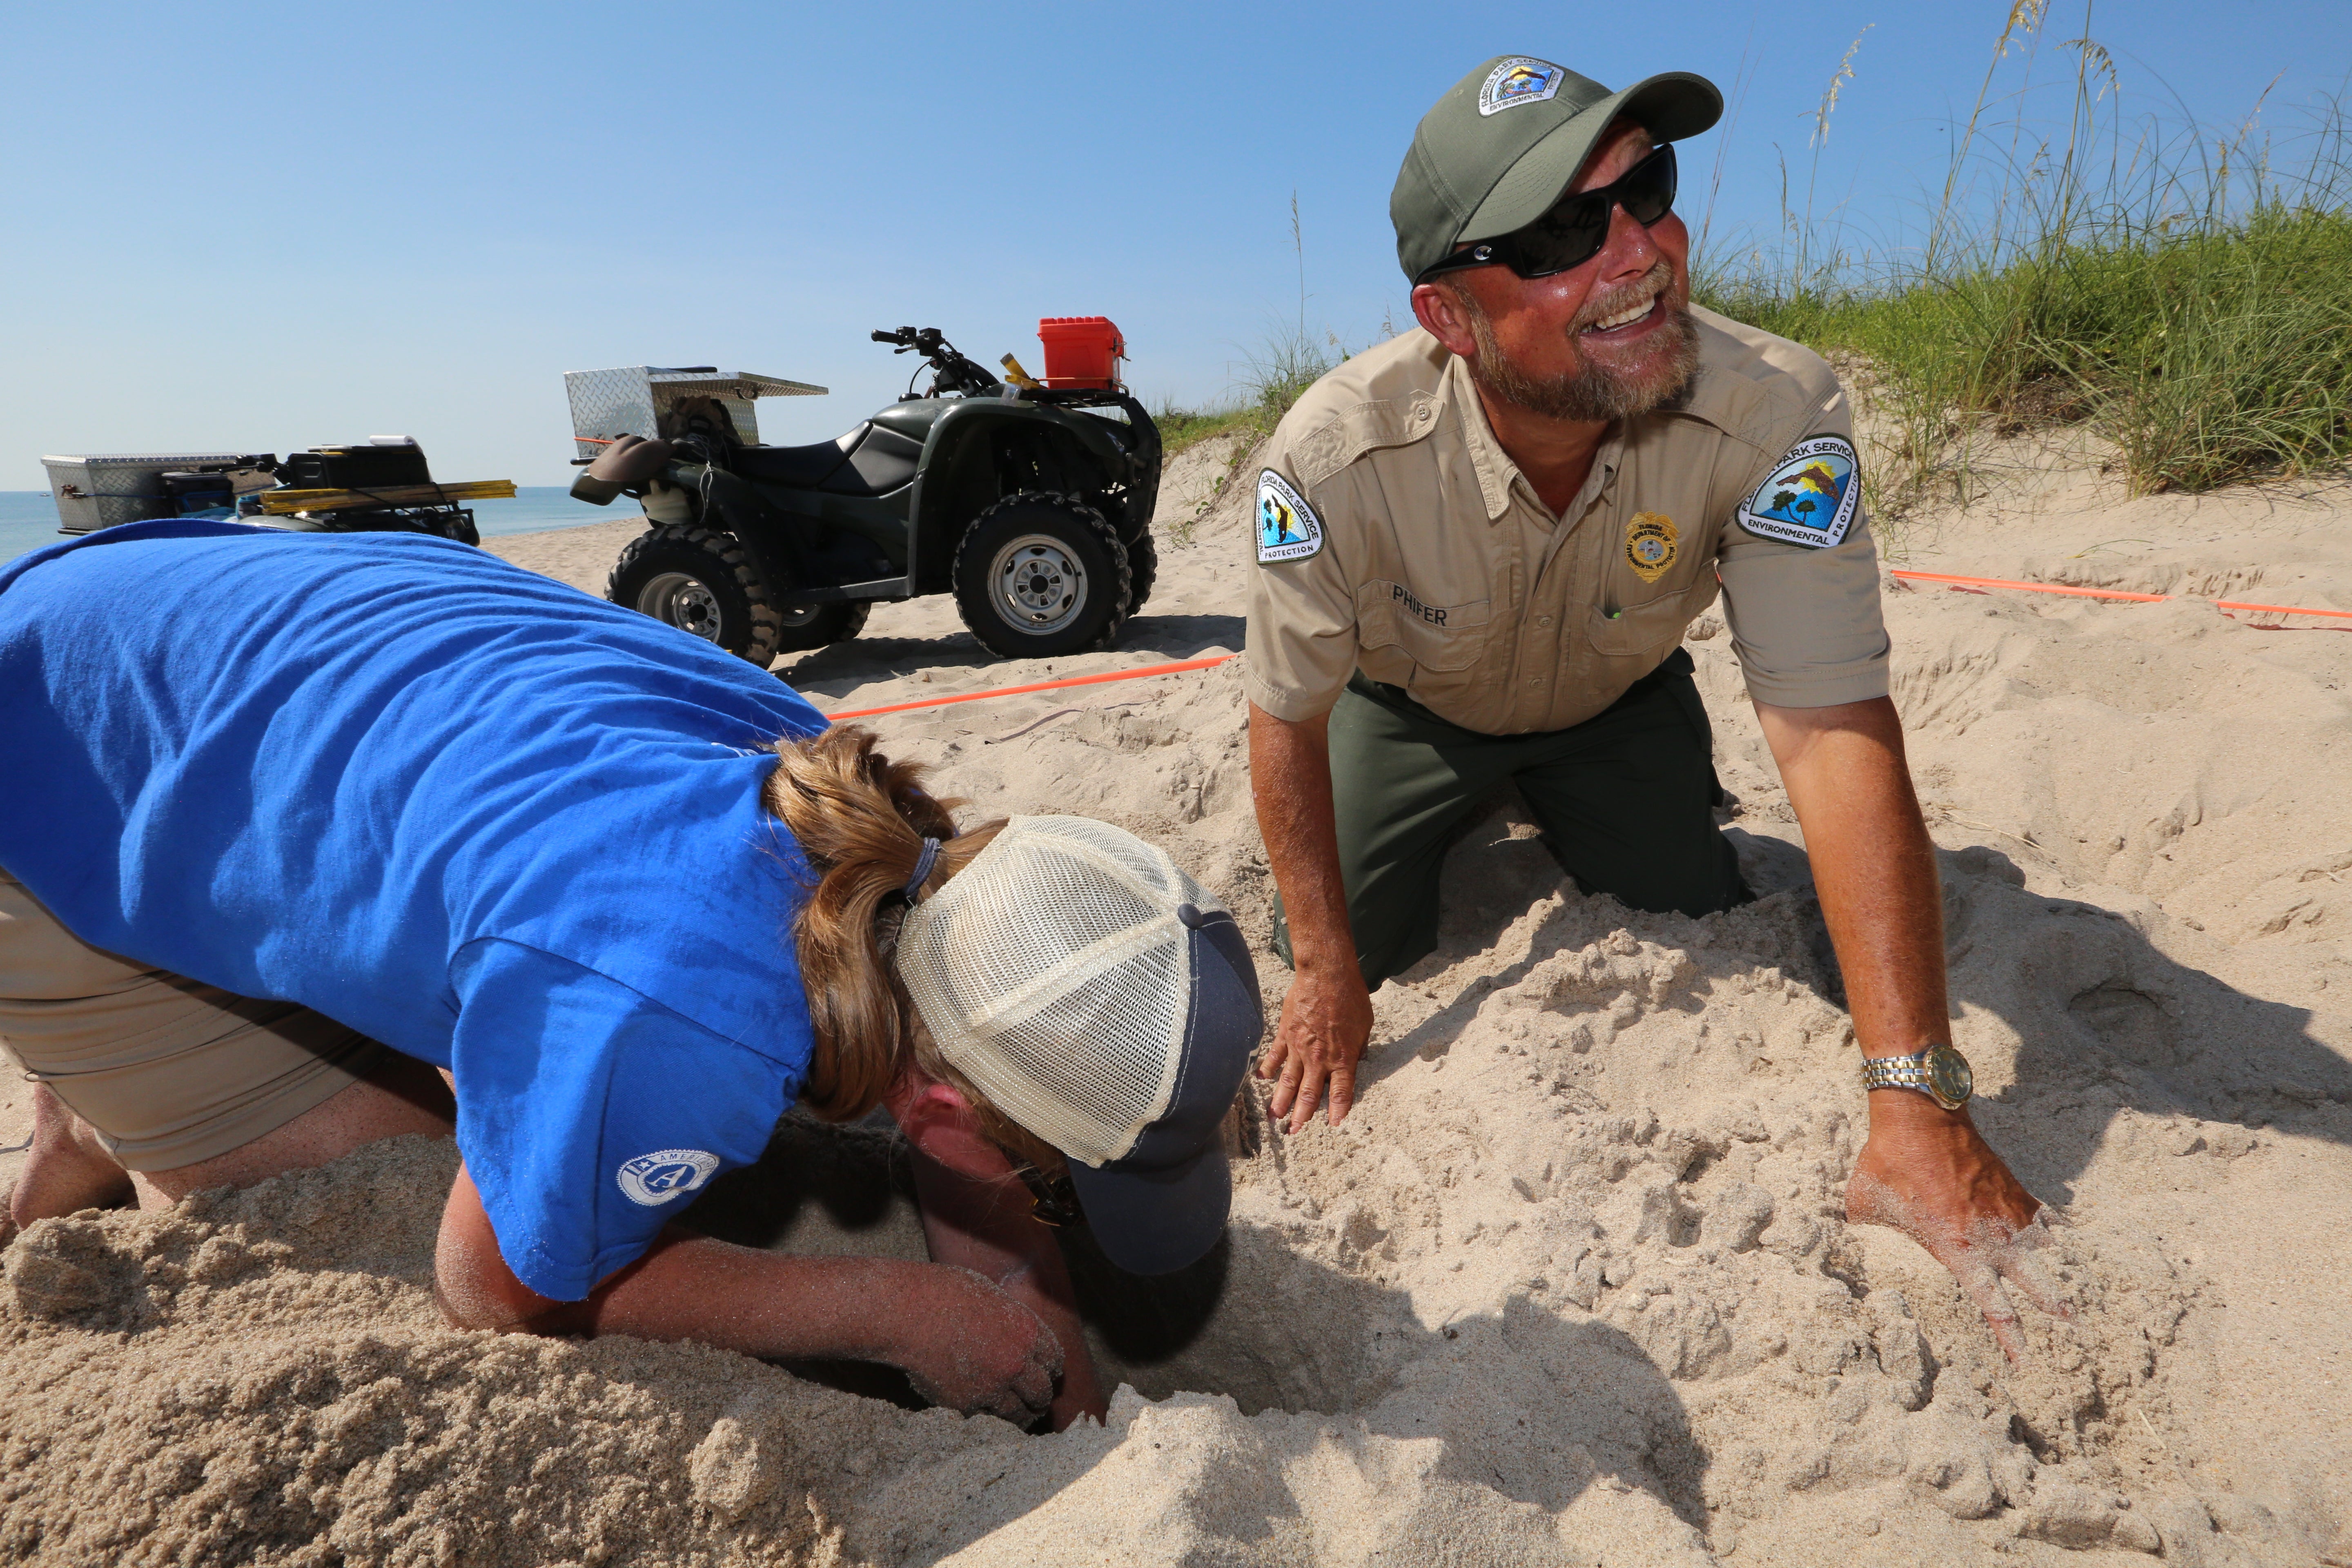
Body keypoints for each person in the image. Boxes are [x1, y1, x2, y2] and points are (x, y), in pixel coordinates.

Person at [0, 519, 1262, 1431]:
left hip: (192, 612)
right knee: (390, 1191)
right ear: (935, 1105)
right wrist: (887, 1308)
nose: (1042, 1196)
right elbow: (488, 1294)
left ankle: (118, 1073)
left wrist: (1066, 1415)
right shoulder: (685, 1020)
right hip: (53, 738)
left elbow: (965, 1117)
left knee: (504, 1061)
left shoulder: (876, 835)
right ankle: (94, 1092)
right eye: (1057, 1178)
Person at [1245, 56, 2065, 1355]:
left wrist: (1916, 1102)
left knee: (1699, 907)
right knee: (1343, 961)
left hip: (1619, 707)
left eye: (1651, 192)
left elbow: (1834, 725)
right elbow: (1284, 714)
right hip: (1408, 715)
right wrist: (1333, 971)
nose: (1641, 254)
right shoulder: (1334, 453)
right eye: (1569, 230)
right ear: (1451, 319)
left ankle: (1588, 802)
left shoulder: (1778, 411)